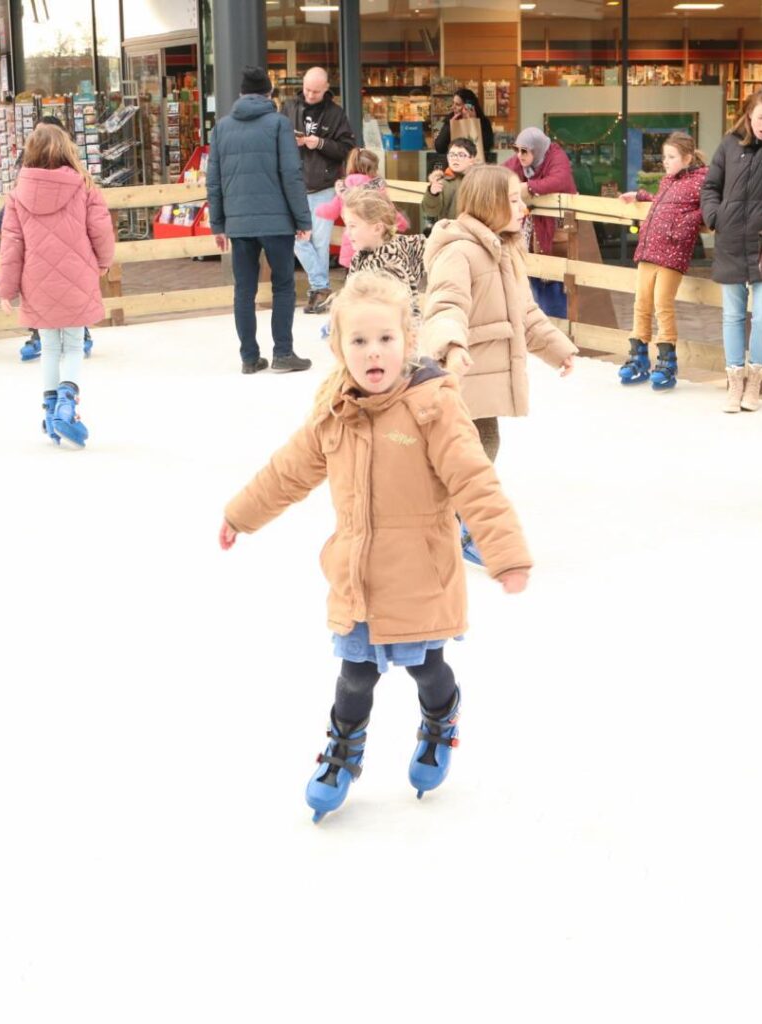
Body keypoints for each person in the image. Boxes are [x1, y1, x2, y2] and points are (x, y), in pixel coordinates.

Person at [219, 271, 532, 823]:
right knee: (355, 677)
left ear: (407, 342)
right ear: (339, 349)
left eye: (385, 339)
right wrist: (240, 515)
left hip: (420, 577)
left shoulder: (432, 406)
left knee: (428, 669)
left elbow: (474, 481)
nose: (373, 353)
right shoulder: (334, 413)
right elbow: (287, 473)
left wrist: (505, 554)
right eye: (358, 342)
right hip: (357, 577)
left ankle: (441, 718)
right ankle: (342, 750)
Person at [422, 164, 578, 564]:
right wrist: (452, 346)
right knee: (473, 451)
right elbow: (444, 306)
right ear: (488, 204)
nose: (522, 208)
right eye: (512, 200)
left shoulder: (503, 250)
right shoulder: (459, 252)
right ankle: (454, 524)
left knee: (480, 447)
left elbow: (525, 312)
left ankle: (453, 522)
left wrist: (558, 348)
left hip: (482, 377)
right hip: (462, 372)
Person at [0, 123, 117, 448]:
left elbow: (12, 244)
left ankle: (51, 411)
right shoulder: (85, 186)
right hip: (77, 274)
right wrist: (103, 262)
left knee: (49, 346)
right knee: (74, 344)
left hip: (36, 280)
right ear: (67, 150)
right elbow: (101, 230)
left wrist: (7, 289)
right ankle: (67, 402)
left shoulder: (17, 193)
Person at [208, 65, 314, 374]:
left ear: (241, 94)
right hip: (277, 222)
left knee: (244, 290)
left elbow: (213, 180)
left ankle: (249, 358)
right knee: (283, 285)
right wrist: (302, 220)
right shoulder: (279, 125)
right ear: (269, 94)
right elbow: (291, 175)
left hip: (239, 226)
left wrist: (218, 224)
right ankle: (282, 353)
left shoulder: (221, 128)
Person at [700, 90, 762, 412]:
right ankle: (734, 382)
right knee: (733, 316)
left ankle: (754, 381)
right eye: (760, 117)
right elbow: (710, 186)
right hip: (731, 242)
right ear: (748, 114)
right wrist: (715, 216)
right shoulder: (729, 144)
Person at [617, 131, 709, 392]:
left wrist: (687, 223)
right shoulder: (668, 181)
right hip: (650, 248)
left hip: (672, 251)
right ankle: (638, 355)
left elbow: (710, 208)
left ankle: (667, 360)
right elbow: (662, 203)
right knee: (641, 302)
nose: (665, 161)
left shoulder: (702, 181)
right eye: (665, 156)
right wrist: (640, 196)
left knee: (661, 303)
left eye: (671, 157)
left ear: (688, 158)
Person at [282, 66, 358, 314]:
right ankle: (322, 287)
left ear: (326, 89)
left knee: (320, 242)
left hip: (323, 185)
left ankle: (319, 293)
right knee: (296, 238)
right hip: (294, 183)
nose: (310, 95)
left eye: (316, 91)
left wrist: (321, 143)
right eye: (307, 89)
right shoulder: (290, 106)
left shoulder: (336, 113)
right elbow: (276, 137)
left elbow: (347, 148)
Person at [503, 128, 577, 318]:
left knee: (554, 279)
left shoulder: (555, 156)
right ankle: (537, 331)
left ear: (536, 149)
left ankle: (555, 329)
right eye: (516, 149)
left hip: (559, 229)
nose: (519, 155)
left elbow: (560, 179)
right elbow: (501, 173)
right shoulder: (520, 162)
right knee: (532, 277)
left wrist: (527, 188)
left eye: (524, 151)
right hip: (532, 229)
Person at [310, 148, 408, 269]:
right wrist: (402, 224)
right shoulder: (377, 189)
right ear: (373, 168)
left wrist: (316, 209)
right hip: (373, 242)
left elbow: (331, 211)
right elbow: (389, 211)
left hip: (352, 243)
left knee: (353, 283)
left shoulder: (344, 189)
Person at [342, 189, 426, 319]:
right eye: (347, 226)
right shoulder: (361, 256)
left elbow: (401, 314)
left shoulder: (388, 266)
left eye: (352, 226)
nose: (347, 233)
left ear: (377, 228)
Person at [421, 137, 477, 228]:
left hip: (473, 233)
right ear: (447, 157)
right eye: (452, 155)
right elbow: (430, 211)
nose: (455, 158)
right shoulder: (442, 182)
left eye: (461, 155)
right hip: (448, 234)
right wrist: (432, 194)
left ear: (472, 159)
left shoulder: (479, 182)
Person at [432, 88, 496, 159]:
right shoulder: (449, 119)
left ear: (468, 106)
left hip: (476, 164)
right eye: (453, 103)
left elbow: (487, 146)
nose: (453, 107)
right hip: (454, 164)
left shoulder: (483, 121)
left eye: (457, 104)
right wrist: (450, 125)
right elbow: (439, 148)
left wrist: (473, 122)